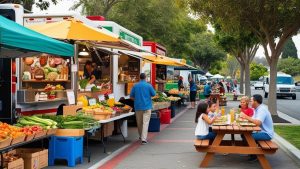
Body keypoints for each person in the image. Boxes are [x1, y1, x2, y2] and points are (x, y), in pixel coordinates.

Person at [130, 73, 156, 145]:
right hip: (147, 106)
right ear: (145, 78)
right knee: (145, 123)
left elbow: (131, 96)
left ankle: (141, 136)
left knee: (139, 123)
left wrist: (137, 99)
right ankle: (143, 139)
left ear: (139, 78)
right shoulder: (149, 85)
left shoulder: (135, 86)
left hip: (138, 107)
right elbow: (154, 94)